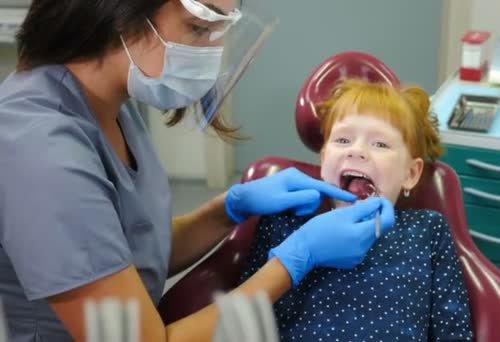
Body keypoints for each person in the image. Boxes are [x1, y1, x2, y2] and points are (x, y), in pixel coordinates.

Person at [0, 1, 395, 341]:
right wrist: (295, 261)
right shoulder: (43, 155)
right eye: (199, 27)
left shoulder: (111, 104)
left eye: (220, 29)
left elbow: (129, 251)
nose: (215, 50)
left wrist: (227, 210)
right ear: (117, 13)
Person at [240, 79, 474, 341]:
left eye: (380, 144)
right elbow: (247, 323)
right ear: (324, 157)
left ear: (411, 173)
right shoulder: (285, 222)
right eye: (342, 139)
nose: (357, 151)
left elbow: (453, 330)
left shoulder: (428, 230)